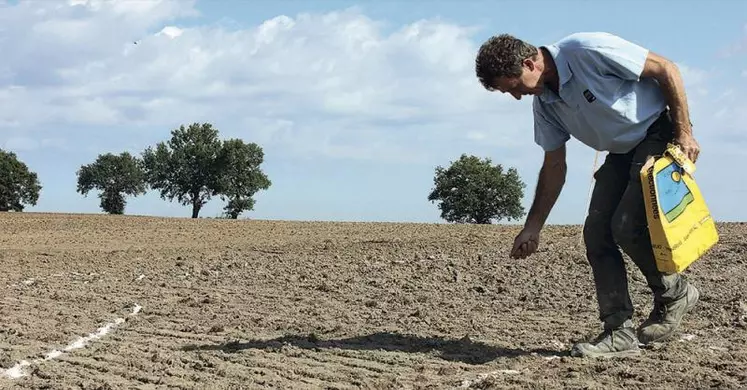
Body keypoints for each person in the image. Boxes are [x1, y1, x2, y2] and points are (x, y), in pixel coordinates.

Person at [474, 32, 701, 358]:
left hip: (657, 131)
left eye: (514, 86)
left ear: (529, 63)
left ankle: (674, 293)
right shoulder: (545, 105)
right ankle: (618, 332)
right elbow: (553, 167)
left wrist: (684, 132)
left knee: (624, 225)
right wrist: (533, 226)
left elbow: (667, 69)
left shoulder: (586, 51)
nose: (517, 97)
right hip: (621, 151)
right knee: (596, 232)